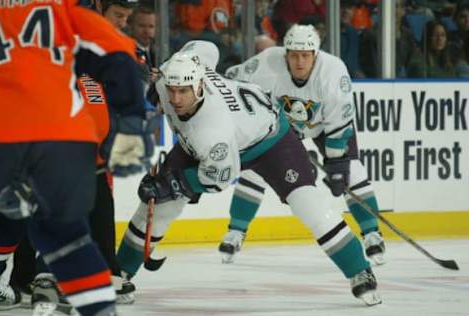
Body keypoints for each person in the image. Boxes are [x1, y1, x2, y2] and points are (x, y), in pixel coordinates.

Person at [116, 40, 382, 306]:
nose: (175, 100)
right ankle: (121, 274)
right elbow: (206, 47)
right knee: (158, 207)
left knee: (308, 203)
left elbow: (220, 177)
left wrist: (172, 183)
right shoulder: (171, 78)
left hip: (271, 141)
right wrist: (162, 78)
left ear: (198, 86)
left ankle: (359, 270)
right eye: (171, 90)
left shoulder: (212, 131)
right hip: (212, 137)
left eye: (183, 91)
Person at [0, 0, 146, 315]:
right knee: (64, 234)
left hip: (1, 138)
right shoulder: (66, 14)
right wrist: (132, 121)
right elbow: (120, 60)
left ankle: (10, 276)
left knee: (11, 217)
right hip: (58, 140)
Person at [222, 24, 386, 266]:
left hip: (325, 126)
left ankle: (372, 234)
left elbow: (338, 123)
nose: (299, 62)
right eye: (294, 55)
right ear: (285, 53)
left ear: (315, 55)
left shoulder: (333, 71)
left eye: (306, 55)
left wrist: (336, 163)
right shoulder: (266, 63)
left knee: (352, 170)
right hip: (283, 128)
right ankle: (236, 231)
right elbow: (229, 83)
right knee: (254, 172)